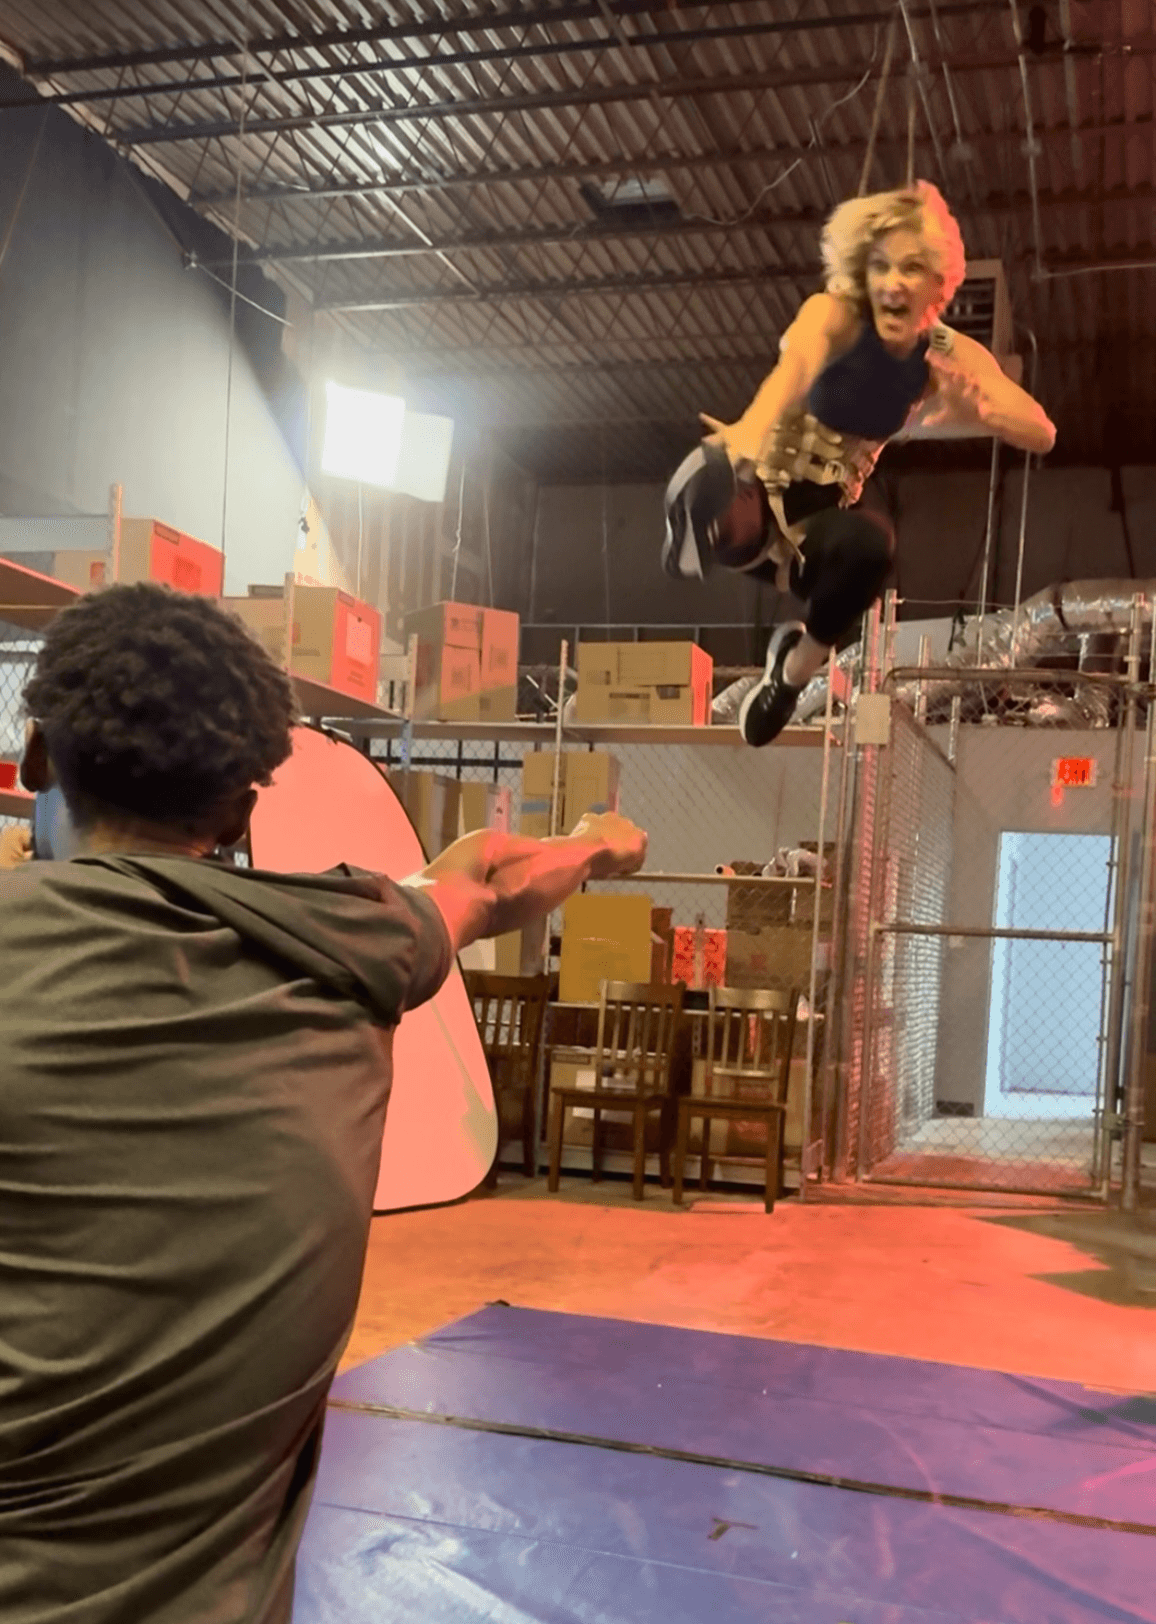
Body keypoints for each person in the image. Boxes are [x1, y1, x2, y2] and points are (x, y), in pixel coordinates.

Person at [0, 582, 647, 1624]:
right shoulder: (357, 947)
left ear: (35, 758)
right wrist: (599, 843)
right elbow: (490, 878)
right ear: (241, 812)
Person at [662, 180, 1056, 746]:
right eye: (880, 267)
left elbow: (1042, 432)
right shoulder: (833, 315)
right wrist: (749, 430)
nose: (892, 285)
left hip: (816, 527)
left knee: (871, 547)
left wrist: (985, 404)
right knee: (709, 481)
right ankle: (692, 523)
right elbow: (796, 367)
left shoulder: (948, 353)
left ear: (937, 284)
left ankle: (791, 672)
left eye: (911, 269)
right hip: (761, 489)